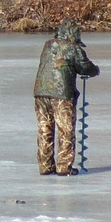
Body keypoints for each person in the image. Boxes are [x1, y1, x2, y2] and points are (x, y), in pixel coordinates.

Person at [33, 17, 99, 176]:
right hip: (62, 95)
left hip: (40, 93)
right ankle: (64, 167)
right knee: (65, 130)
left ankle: (45, 165)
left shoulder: (48, 45)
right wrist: (95, 70)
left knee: (44, 128)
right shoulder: (73, 48)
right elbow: (85, 67)